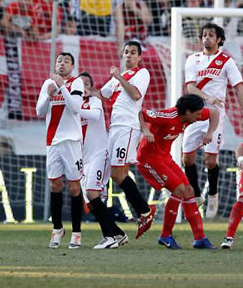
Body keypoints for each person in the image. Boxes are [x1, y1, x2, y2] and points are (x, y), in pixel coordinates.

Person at [182, 22, 243, 219]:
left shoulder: (227, 61)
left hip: (216, 116)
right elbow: (191, 88)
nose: (207, 38)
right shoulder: (192, 60)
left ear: (219, 39)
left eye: (211, 35)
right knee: (187, 158)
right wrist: (207, 97)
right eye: (204, 34)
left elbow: (239, 88)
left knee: (211, 161)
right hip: (195, 114)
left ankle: (212, 194)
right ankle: (196, 195)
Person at [138, 94, 219, 249]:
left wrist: (210, 133)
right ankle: (165, 235)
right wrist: (145, 131)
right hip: (148, 160)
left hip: (165, 158)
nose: (200, 116)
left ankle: (200, 238)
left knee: (189, 190)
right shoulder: (168, 116)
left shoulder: (189, 116)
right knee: (179, 190)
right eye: (197, 113)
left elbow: (215, 113)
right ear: (187, 112)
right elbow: (141, 113)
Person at [100, 40, 155, 239]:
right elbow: (101, 95)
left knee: (118, 173)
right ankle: (143, 212)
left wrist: (118, 77)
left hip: (127, 127)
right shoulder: (117, 78)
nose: (129, 55)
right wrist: (81, 93)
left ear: (139, 57)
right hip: (113, 128)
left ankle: (145, 211)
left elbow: (135, 94)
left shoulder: (142, 73)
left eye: (133, 52)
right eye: (126, 52)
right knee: (116, 174)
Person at [36, 52, 85, 249]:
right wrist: (48, 94)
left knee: (74, 188)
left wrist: (62, 86)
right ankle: (57, 229)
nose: (61, 64)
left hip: (72, 141)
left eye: (66, 61)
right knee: (55, 185)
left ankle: (76, 233)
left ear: (72, 66)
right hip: (53, 142)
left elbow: (75, 107)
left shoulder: (77, 82)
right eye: (59, 61)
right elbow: (39, 111)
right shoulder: (47, 83)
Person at [79, 72, 128, 249]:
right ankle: (118, 234)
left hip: (99, 155)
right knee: (91, 201)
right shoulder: (71, 105)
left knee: (93, 193)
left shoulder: (94, 101)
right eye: (80, 83)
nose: (83, 86)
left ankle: (109, 238)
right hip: (82, 160)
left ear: (91, 88)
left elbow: (94, 116)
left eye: (86, 83)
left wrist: (73, 107)